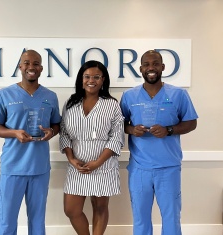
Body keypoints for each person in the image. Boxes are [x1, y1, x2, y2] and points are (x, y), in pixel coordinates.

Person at [119, 50, 198, 235]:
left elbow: (191, 122)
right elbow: (120, 124)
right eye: (146, 64)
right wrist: (132, 129)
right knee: (140, 219)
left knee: (171, 219)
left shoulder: (179, 94)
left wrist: (169, 130)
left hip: (168, 168)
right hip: (139, 169)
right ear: (140, 69)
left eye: (155, 64)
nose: (151, 68)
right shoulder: (129, 96)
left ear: (162, 67)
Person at [0, 49, 61, 235]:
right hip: (13, 168)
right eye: (27, 63)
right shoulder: (5, 95)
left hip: (40, 168)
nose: (31, 67)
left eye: (36, 63)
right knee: (7, 222)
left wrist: (52, 132)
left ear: (41, 68)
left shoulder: (50, 96)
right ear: (20, 66)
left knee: (37, 221)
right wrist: (14, 133)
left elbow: (56, 125)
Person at [59, 60, 125, 235]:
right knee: (71, 210)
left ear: (103, 79)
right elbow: (64, 133)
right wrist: (71, 159)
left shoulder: (111, 104)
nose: (91, 80)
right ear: (81, 79)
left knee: (100, 207)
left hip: (103, 165)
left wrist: (98, 162)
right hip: (77, 165)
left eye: (96, 77)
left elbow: (117, 136)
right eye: (87, 76)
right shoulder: (70, 104)